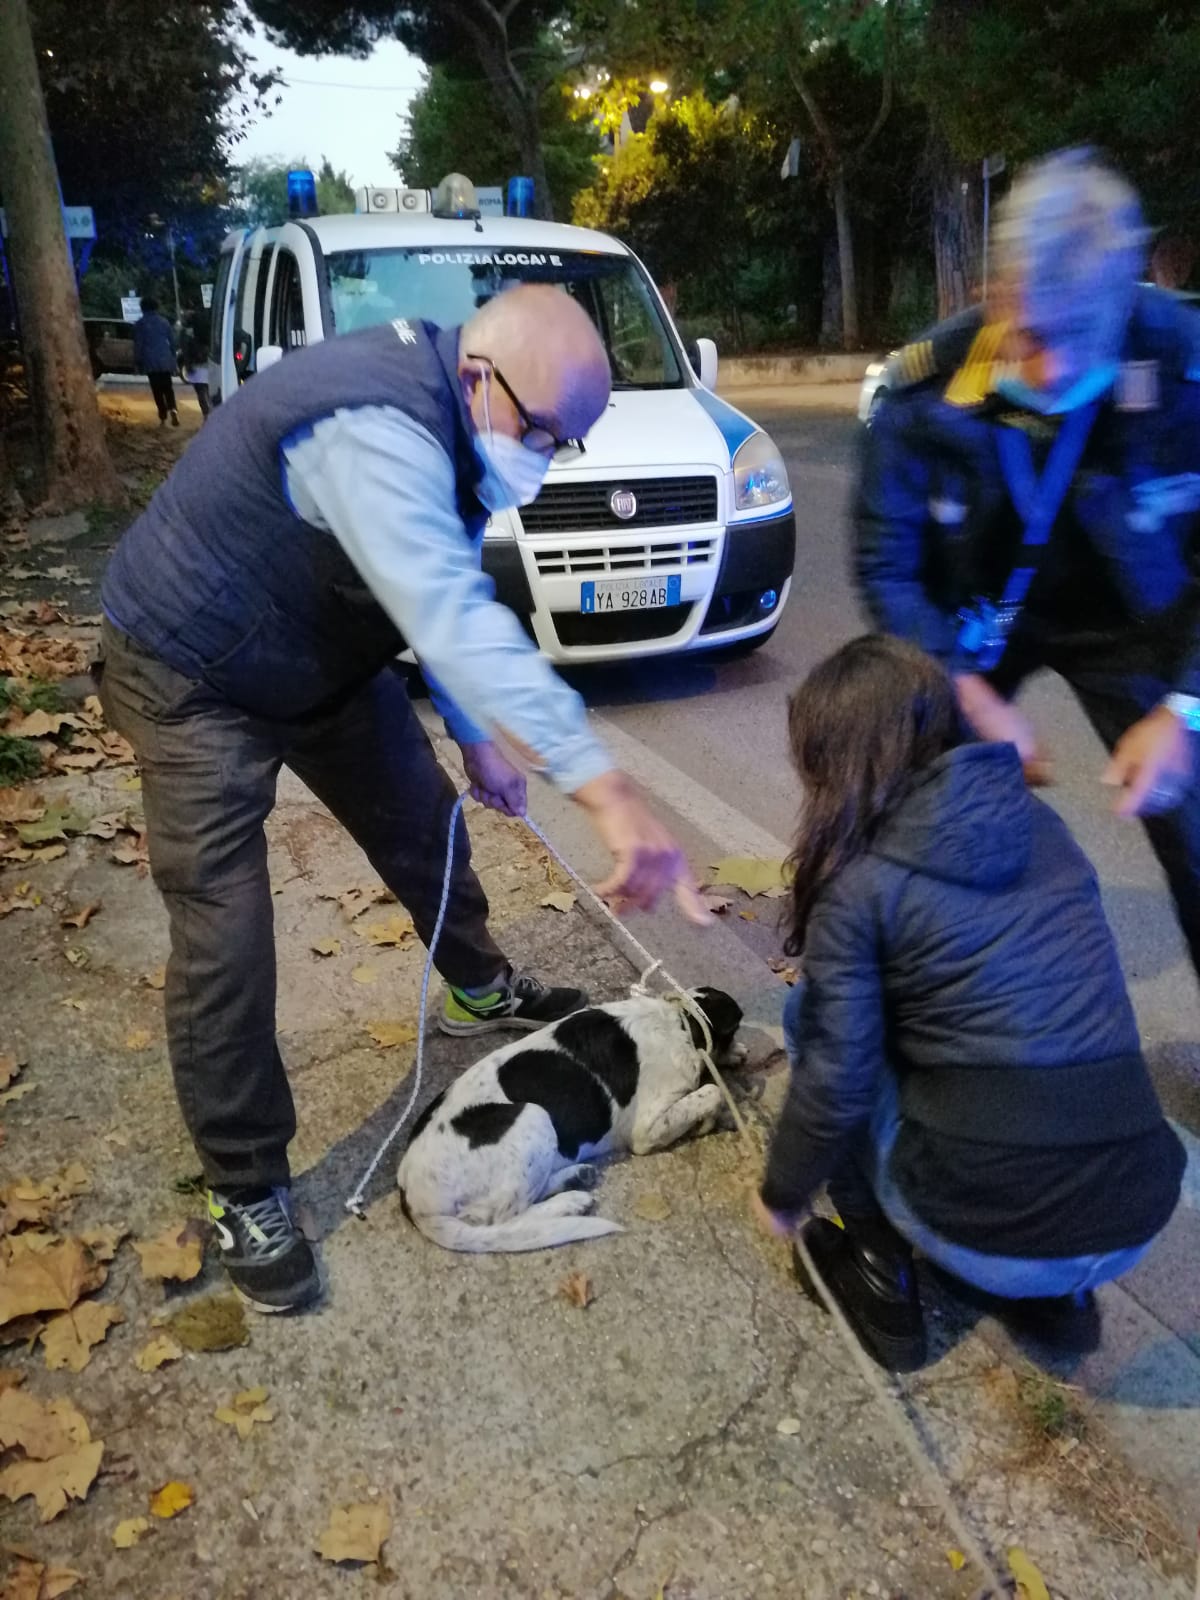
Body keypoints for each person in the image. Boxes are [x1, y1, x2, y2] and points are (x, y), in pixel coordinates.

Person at [98, 284, 711, 1313]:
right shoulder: (371, 425)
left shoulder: (464, 410)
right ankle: (245, 1183)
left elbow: (434, 582)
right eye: (547, 431)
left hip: (321, 655)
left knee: (425, 818)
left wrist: (476, 740)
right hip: (191, 670)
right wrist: (602, 786)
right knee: (227, 931)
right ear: (479, 378)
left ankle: (478, 985)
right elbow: (453, 610)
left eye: (568, 444)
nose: (549, 456)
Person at [756, 636, 1185, 1371]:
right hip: (1134, 1216)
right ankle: (1058, 1302)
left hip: (994, 1230)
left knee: (814, 1023)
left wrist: (784, 1191)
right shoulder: (1041, 826)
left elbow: (835, 1081)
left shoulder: (860, 884)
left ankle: (878, 1274)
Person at [855, 148, 1200, 988]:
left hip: (1136, 622)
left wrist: (1187, 712)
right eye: (1034, 337)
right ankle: (880, 1021)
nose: (1050, 370)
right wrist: (962, 689)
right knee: (906, 814)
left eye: (1081, 343)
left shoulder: (1185, 365)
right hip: (971, 625)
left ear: (1129, 299)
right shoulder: (923, 390)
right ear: (1003, 289)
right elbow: (885, 564)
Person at [132, 296, 179, 426]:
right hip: (165, 360)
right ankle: (173, 409)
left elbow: (138, 344)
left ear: (142, 308)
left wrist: (137, 362)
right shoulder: (164, 322)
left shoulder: (140, 324)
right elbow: (173, 343)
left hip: (150, 362)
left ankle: (163, 416)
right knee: (168, 387)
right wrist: (173, 359)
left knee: (157, 390)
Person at [179, 312, 210, 418]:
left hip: (196, 365)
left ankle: (206, 415)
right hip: (209, 363)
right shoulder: (208, 330)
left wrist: (187, 365)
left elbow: (185, 350)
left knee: (201, 392)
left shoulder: (186, 333)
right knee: (210, 391)